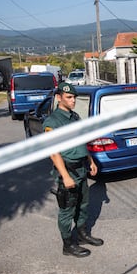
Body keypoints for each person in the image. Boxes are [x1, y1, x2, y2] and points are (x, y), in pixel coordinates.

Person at [43, 82, 104, 258]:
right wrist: (65, 176)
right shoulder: (52, 122)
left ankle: (83, 234)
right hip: (67, 173)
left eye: (74, 97)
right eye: (69, 97)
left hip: (81, 169)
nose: (73, 100)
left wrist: (91, 161)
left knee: (83, 205)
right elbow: (54, 153)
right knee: (67, 211)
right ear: (59, 97)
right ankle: (68, 244)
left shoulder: (75, 117)